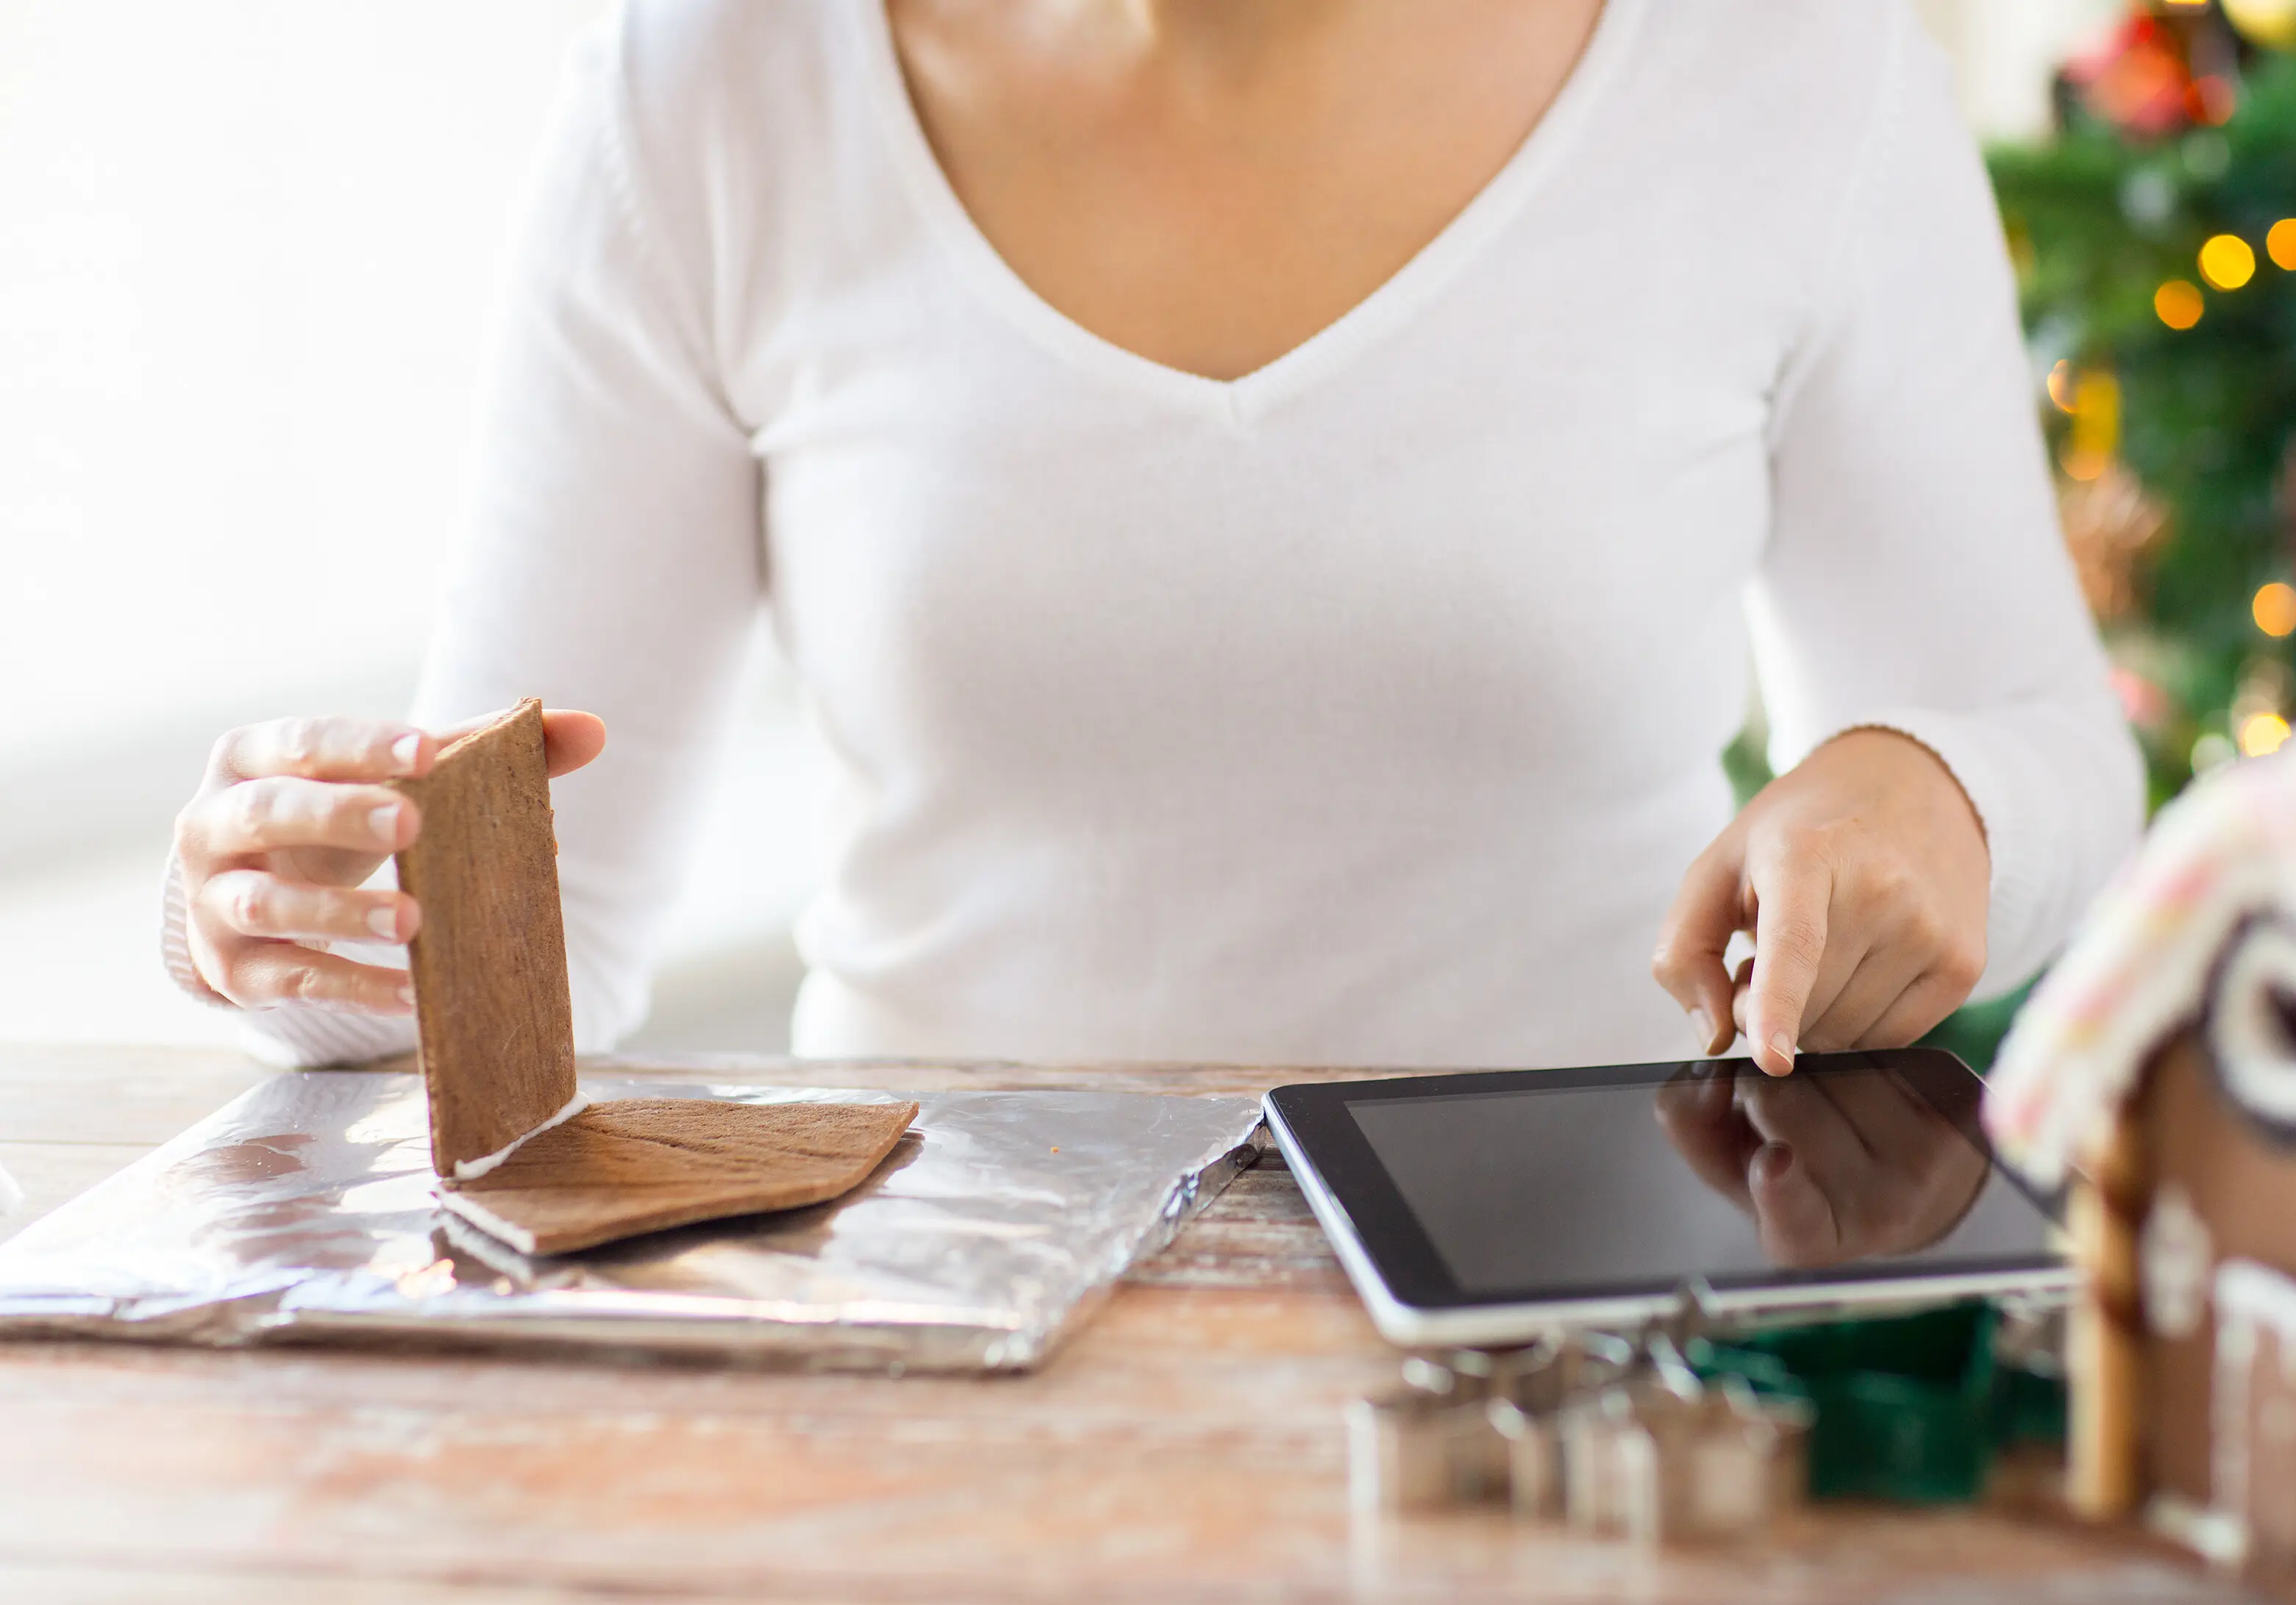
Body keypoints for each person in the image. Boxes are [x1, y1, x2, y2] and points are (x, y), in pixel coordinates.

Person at [165, 0, 2142, 1076]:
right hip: (932, 1317)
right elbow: (523, 945)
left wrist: (1932, 789)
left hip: (1581, 1332)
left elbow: (2055, 753)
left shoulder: (1798, 70)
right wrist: (290, 927)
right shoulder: (706, 87)